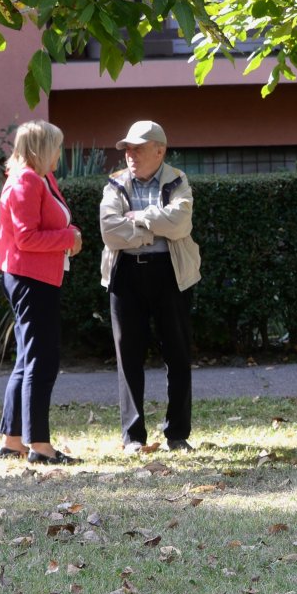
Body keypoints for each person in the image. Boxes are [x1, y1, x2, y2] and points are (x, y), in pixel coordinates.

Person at [99, 119, 202, 452]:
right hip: (125, 274)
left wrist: (138, 217)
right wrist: (154, 226)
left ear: (160, 151)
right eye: (127, 149)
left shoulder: (178, 180)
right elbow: (110, 231)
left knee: (178, 353)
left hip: (170, 272)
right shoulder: (115, 183)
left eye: (138, 149)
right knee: (128, 356)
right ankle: (133, 437)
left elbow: (180, 223)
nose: (130, 155)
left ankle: (177, 435)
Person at [0, 119, 84, 465]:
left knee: (28, 358)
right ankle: (40, 446)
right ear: (41, 148)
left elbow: (52, 221)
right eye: (56, 146)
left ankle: (12, 441)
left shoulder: (41, 177)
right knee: (42, 360)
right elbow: (26, 238)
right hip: (30, 279)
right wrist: (69, 238)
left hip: (35, 277)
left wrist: (69, 233)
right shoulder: (26, 181)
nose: (60, 152)